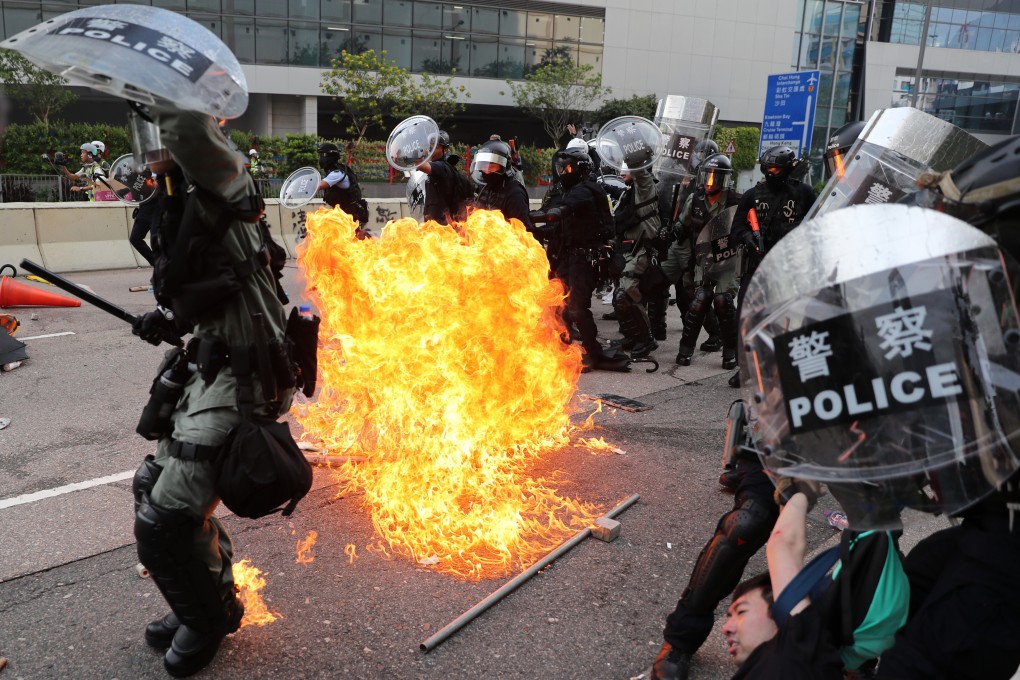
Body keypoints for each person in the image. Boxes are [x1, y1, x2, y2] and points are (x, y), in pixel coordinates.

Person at [872, 135, 1020, 680]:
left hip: (1010, 541)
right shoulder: (995, 329)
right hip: (989, 523)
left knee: (916, 665)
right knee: (903, 593)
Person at [530, 146, 629, 372]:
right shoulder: (567, 191)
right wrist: (530, 225)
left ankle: (591, 352)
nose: (563, 172)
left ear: (580, 169)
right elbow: (556, 226)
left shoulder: (588, 190)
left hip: (587, 258)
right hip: (567, 256)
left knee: (576, 307)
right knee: (558, 302)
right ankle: (565, 349)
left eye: (567, 168)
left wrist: (548, 214)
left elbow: (565, 208)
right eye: (561, 168)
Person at [726, 145, 815, 387]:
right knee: (745, 317)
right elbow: (736, 230)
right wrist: (749, 238)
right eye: (767, 169)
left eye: (776, 168)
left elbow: (816, 228)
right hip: (757, 268)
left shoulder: (804, 193)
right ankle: (745, 367)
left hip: (789, 270)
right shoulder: (752, 195)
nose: (770, 173)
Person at [668, 153, 742, 368]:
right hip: (704, 259)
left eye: (714, 177)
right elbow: (683, 224)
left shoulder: (735, 201)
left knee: (723, 301)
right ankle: (685, 350)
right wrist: (672, 230)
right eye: (707, 176)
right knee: (700, 299)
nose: (709, 182)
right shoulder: (695, 198)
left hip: (728, 260)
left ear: (723, 179)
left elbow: (744, 229)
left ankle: (730, 351)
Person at [648, 138, 723, 346]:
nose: (696, 157)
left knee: (690, 294)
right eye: (696, 153)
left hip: (693, 245)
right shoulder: (680, 174)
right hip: (676, 241)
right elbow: (666, 196)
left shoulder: (711, 184)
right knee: (657, 282)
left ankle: (715, 334)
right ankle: (655, 331)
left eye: (701, 154)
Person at [609, 162, 660, 357]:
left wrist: (631, 143)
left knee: (628, 293)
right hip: (627, 250)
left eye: (627, 169)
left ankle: (647, 339)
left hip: (641, 250)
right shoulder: (627, 193)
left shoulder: (645, 189)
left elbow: (641, 169)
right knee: (619, 296)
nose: (623, 173)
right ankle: (632, 336)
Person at [470, 139, 534, 230]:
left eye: (492, 166)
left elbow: (523, 230)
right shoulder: (485, 188)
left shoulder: (514, 193)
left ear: (504, 166)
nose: (487, 170)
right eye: (484, 165)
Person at [417, 129, 473, 225]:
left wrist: (412, 150)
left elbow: (421, 165)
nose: (432, 151)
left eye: (436, 147)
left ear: (445, 149)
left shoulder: (442, 167)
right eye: (430, 147)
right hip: (432, 228)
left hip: (443, 230)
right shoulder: (440, 167)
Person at [316, 142, 369, 226]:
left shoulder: (337, 173)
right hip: (344, 214)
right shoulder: (336, 170)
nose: (320, 158)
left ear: (329, 157)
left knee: (349, 238)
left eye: (322, 155)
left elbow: (318, 186)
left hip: (351, 216)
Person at [128, 173, 161, 266]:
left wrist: (155, 181)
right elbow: (135, 195)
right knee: (135, 239)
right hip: (143, 209)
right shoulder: (139, 170)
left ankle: (160, 270)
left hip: (157, 209)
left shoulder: (157, 167)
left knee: (156, 241)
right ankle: (158, 265)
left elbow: (157, 188)